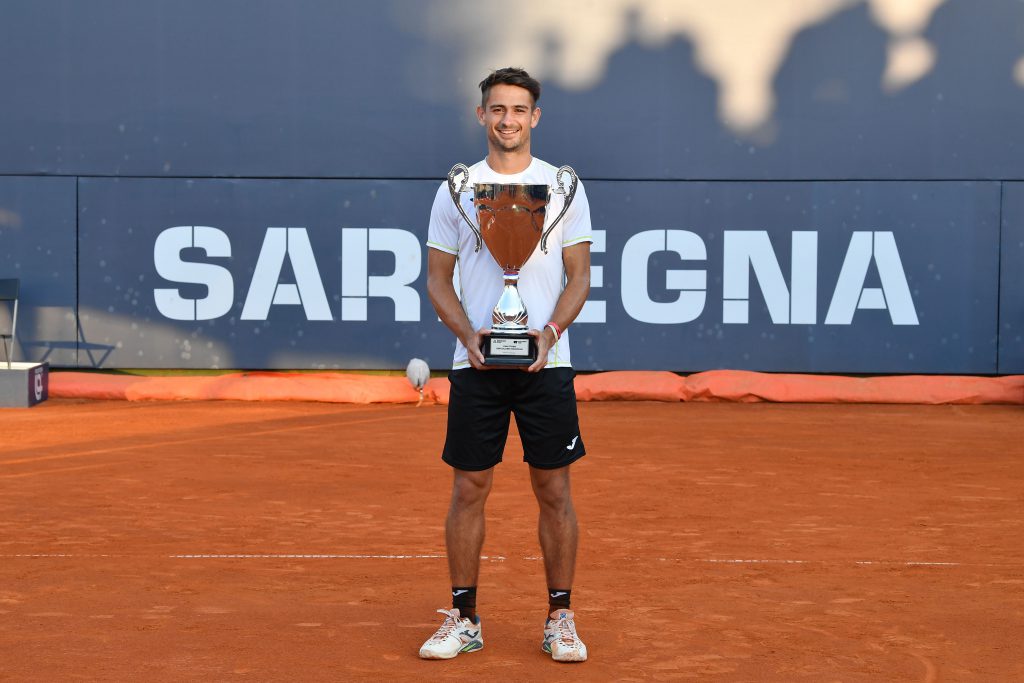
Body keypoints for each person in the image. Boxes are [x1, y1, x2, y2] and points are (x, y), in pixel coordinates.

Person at [418, 67, 592, 663]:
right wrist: (468, 337)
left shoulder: (563, 187)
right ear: (481, 116)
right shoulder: (457, 189)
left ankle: (560, 617)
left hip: (548, 362)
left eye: (519, 110)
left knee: (553, 488)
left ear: (534, 117)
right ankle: (464, 618)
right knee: (469, 486)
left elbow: (580, 276)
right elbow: (438, 280)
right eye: (498, 109)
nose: (508, 120)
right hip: (475, 367)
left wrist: (548, 334)